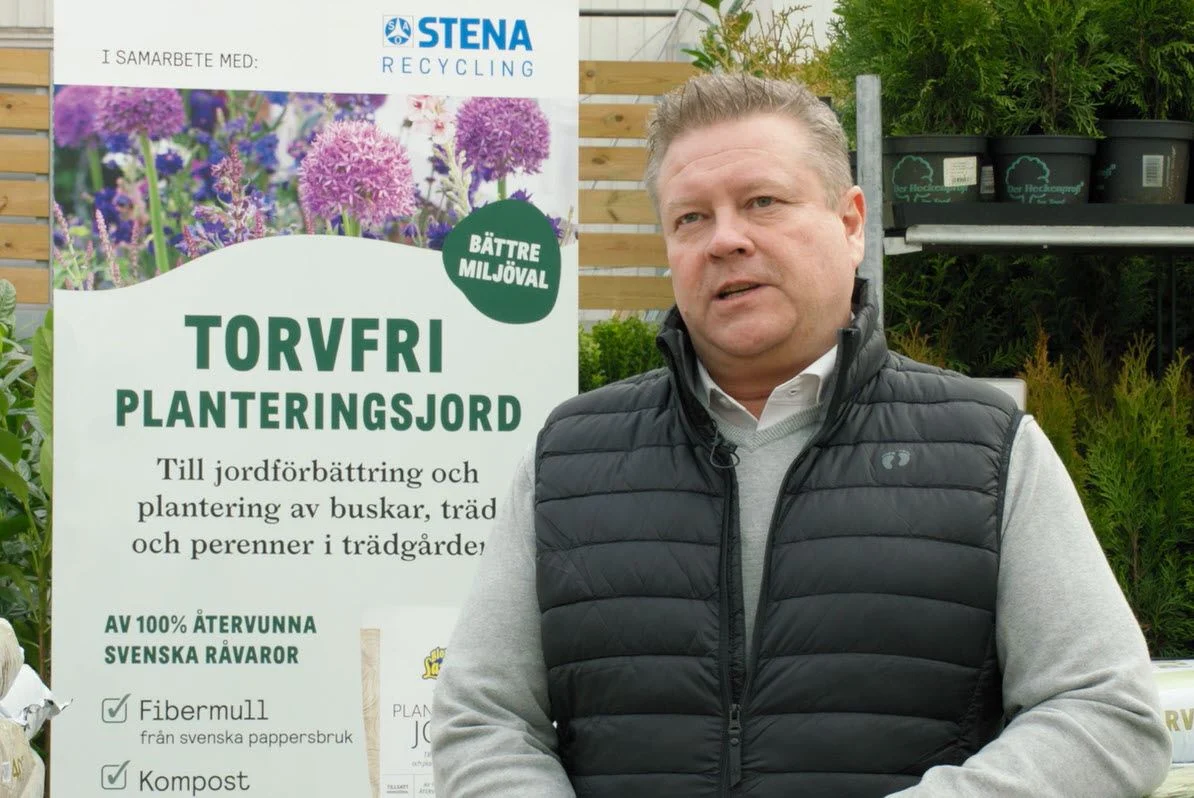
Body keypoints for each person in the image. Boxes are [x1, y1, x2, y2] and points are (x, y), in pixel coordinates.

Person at [430, 72, 1171, 797]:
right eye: (690, 218)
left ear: (850, 223)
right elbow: (484, 721)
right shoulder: (569, 459)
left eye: (762, 202)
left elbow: (1106, 715)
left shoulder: (988, 449)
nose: (725, 240)